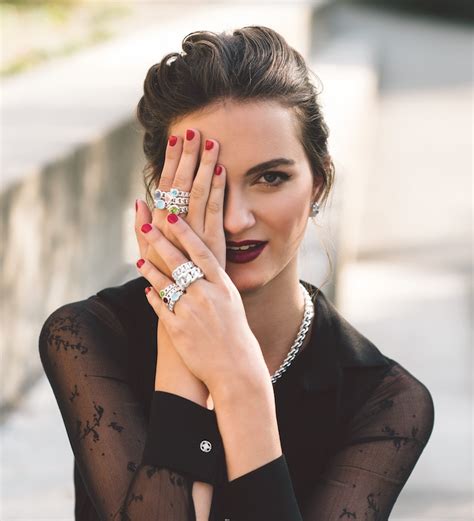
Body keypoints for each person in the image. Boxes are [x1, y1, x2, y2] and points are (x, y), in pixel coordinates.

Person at [39, 26, 435, 521]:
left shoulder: (386, 402)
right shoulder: (88, 336)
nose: (235, 220)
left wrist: (239, 384)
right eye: (208, 184)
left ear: (319, 183)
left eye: (271, 177)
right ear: (165, 195)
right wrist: (183, 356)